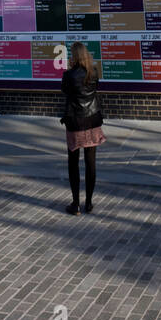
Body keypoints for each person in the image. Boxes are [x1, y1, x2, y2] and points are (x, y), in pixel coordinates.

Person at [60, 41, 105, 215]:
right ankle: (89, 203)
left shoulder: (69, 75)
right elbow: (95, 90)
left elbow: (65, 91)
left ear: (74, 56)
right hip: (92, 120)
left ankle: (75, 203)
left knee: (73, 162)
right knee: (90, 162)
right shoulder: (93, 72)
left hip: (75, 121)